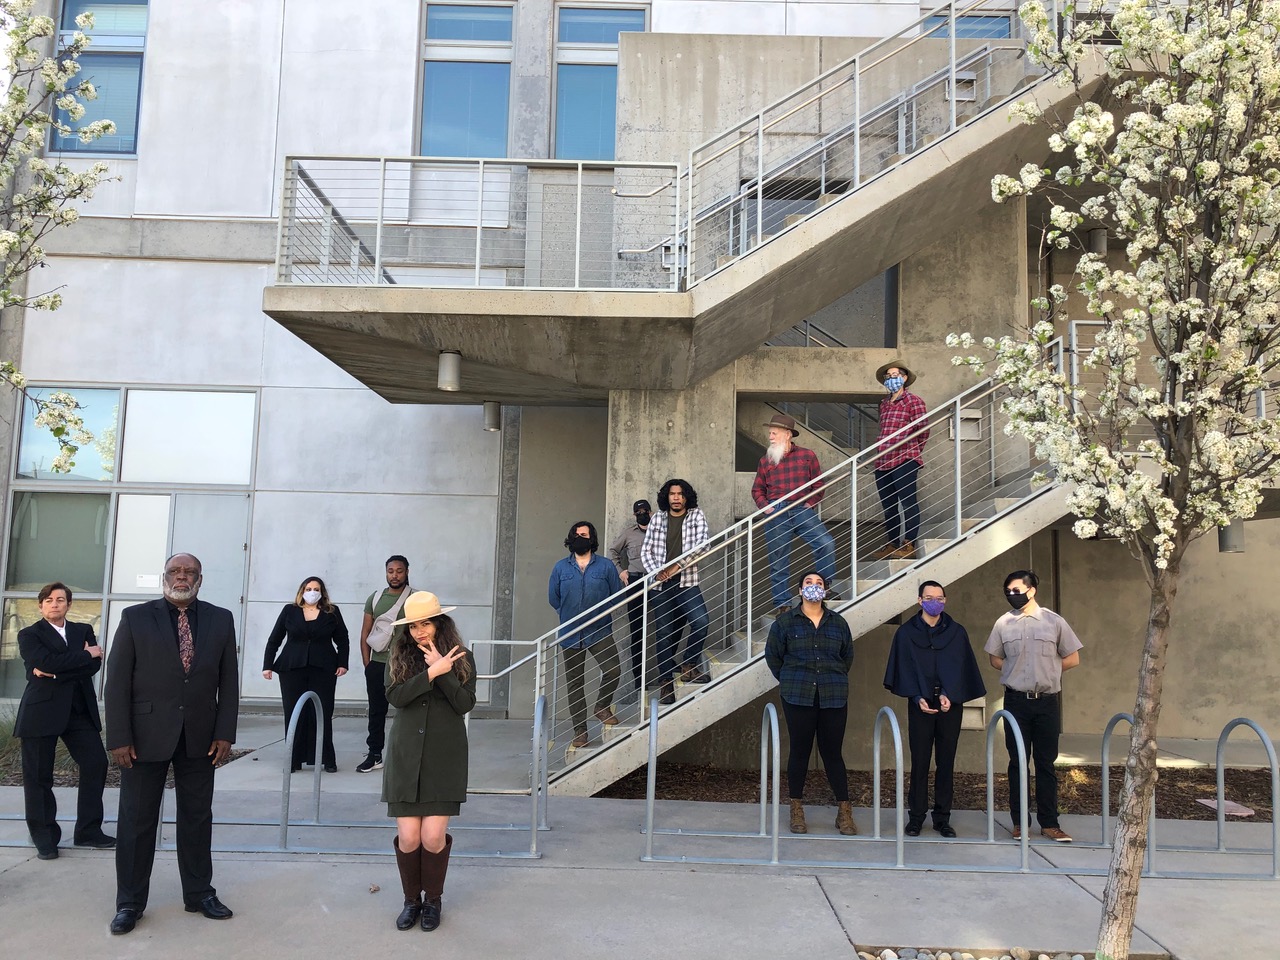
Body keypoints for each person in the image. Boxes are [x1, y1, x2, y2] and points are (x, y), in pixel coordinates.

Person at [105, 553, 239, 935]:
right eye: (175, 572)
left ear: (200, 578)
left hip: (200, 735)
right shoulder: (135, 617)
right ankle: (129, 902)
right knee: (136, 821)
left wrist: (225, 731)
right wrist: (119, 737)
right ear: (165, 576)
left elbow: (228, 679)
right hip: (143, 738)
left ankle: (199, 893)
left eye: (189, 572)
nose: (182, 577)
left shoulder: (220, 618)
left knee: (197, 818)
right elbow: (116, 682)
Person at [383, 591, 476, 933]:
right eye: (413, 626)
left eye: (426, 624)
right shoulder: (397, 657)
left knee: (433, 838)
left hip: (444, 756)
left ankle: (433, 900)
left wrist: (446, 670)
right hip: (406, 755)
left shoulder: (463, 657)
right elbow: (396, 697)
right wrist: (429, 673)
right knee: (409, 838)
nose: (420, 632)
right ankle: (411, 901)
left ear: (439, 624)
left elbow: (465, 704)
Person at [15, 581, 113, 860]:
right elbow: (48, 662)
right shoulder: (28, 634)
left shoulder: (83, 630)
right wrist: (82, 655)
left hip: (79, 711)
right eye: (48, 600)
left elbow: (93, 666)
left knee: (96, 763)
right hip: (40, 712)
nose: (54, 603)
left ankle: (88, 831)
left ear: (69, 605)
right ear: (40, 606)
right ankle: (45, 838)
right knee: (37, 776)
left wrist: (56, 671)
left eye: (60, 599)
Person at [983, 569, 1082, 843]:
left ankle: (1050, 823)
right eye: (1008, 591)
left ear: (1032, 590)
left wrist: (1046, 669)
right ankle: (1020, 824)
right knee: (1018, 764)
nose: (1013, 595)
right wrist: (1019, 672)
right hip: (1016, 702)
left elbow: (1072, 658)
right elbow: (995, 659)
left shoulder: (1054, 622)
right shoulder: (1003, 623)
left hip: (1047, 703)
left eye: (1017, 590)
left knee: (1046, 764)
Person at [883, 580, 986, 838]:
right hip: (920, 705)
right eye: (929, 597)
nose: (934, 602)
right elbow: (903, 669)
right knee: (919, 762)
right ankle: (916, 818)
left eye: (939, 598)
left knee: (946, 762)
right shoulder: (906, 633)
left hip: (950, 707)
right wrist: (917, 696)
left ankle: (942, 818)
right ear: (919, 600)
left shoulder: (956, 632)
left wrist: (951, 694)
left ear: (945, 600)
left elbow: (962, 668)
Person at [765, 571, 856, 836]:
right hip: (797, 695)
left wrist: (833, 677)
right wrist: (789, 678)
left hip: (833, 696)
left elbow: (846, 656)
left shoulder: (838, 623)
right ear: (800, 590)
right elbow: (773, 656)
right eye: (808, 583)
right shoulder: (784, 623)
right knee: (800, 751)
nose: (814, 587)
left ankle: (844, 811)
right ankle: (796, 809)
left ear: (825, 591)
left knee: (833, 753)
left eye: (819, 584)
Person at [752, 413, 838, 617]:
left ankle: (824, 588)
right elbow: (757, 490)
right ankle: (782, 602)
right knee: (778, 558)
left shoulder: (807, 455)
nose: (770, 436)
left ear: (788, 434)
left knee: (826, 543)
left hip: (801, 509)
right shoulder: (765, 460)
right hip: (776, 510)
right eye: (770, 433)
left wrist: (810, 503)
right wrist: (767, 507)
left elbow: (818, 484)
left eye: (774, 433)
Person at [262, 576, 350, 773]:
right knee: (293, 712)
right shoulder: (289, 611)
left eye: (316, 589)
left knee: (323, 712)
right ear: (302, 591)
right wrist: (267, 665)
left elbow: (343, 640)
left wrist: (343, 663)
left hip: (324, 669)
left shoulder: (332, 612)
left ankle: (327, 759)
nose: (312, 592)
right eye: (308, 588)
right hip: (292, 668)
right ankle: (293, 760)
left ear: (322, 592)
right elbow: (274, 639)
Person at [548, 521, 624, 747]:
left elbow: (617, 596)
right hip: (571, 634)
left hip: (599, 631)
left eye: (584, 535)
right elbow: (554, 599)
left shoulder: (605, 566)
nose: (580, 538)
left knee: (613, 670)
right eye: (576, 535)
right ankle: (580, 731)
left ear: (592, 539)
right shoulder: (561, 568)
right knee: (575, 684)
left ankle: (602, 706)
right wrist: (570, 615)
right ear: (571, 539)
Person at [640, 479, 712, 705]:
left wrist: (677, 567)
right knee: (663, 634)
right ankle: (666, 684)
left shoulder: (696, 515)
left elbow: (703, 545)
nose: (676, 498)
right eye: (672, 494)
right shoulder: (658, 518)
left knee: (701, 621)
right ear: (667, 497)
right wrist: (657, 572)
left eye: (680, 494)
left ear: (686, 496)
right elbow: (646, 550)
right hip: (661, 586)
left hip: (687, 582)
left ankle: (689, 665)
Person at [357, 555, 411, 774]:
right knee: (376, 712)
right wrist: (367, 664)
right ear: (386, 572)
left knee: (408, 711)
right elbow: (365, 633)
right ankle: (374, 754)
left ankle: (407, 757)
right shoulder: (376, 598)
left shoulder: (415, 598)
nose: (395, 575)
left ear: (407, 571)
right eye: (390, 571)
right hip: (378, 664)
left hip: (405, 665)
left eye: (399, 570)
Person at [872, 360, 929, 561]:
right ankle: (893, 542)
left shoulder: (914, 401)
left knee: (907, 501)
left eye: (895, 374)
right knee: (888, 505)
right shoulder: (884, 404)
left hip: (905, 457)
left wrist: (912, 451)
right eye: (888, 376)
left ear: (904, 378)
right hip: (882, 460)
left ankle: (909, 543)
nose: (891, 378)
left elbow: (923, 430)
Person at [607, 498, 652, 699]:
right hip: (635, 582)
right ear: (635, 515)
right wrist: (620, 571)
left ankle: (666, 674)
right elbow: (613, 552)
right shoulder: (629, 534)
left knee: (664, 626)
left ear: (651, 512)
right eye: (639, 511)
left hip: (657, 581)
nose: (643, 513)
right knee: (637, 632)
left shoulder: (659, 531)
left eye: (646, 511)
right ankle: (639, 679)